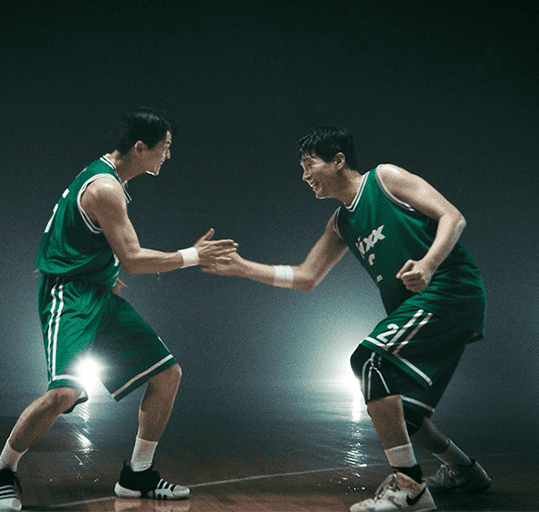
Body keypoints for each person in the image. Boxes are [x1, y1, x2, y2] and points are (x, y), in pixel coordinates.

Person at [205, 126, 490, 512]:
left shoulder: (385, 179)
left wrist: (428, 264)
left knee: (369, 361)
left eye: (310, 165)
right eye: (301, 169)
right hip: (424, 307)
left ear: (338, 161)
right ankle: (464, 470)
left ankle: (411, 488)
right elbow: (306, 276)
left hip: (449, 292)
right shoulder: (341, 223)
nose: (304, 176)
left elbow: (452, 217)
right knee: (401, 414)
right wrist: (242, 268)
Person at [0, 107, 237, 511]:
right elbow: (133, 257)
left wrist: (104, 269)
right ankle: (0, 472)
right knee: (64, 393)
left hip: (96, 290)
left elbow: (86, 238)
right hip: (70, 296)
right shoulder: (105, 188)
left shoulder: (108, 178)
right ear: (140, 147)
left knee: (167, 374)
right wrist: (193, 255)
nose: (168, 156)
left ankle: (137, 475)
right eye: (165, 148)